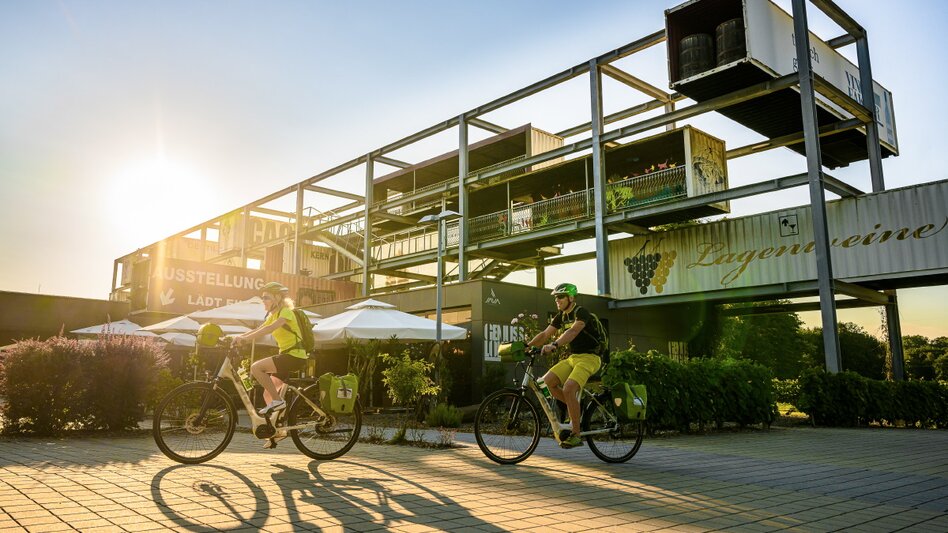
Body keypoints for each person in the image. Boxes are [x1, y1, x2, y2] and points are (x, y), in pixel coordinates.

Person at [527, 282, 606, 449]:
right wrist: (527, 346)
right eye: (556, 297)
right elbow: (545, 334)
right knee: (546, 383)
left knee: (569, 388)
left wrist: (554, 344)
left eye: (560, 297)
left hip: (590, 358)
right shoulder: (561, 316)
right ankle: (575, 408)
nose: (557, 300)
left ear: (570, 298)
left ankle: (576, 434)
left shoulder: (581, 312)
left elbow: (572, 331)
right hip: (573, 358)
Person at [235, 282, 308, 422]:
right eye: (262, 298)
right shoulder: (272, 316)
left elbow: (269, 329)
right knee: (268, 395)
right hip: (286, 356)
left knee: (256, 368)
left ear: (278, 298)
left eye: (266, 297)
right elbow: (258, 329)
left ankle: (278, 402)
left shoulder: (286, 312)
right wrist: (238, 337)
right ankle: (277, 426)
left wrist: (245, 339)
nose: (263, 300)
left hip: (295, 356)